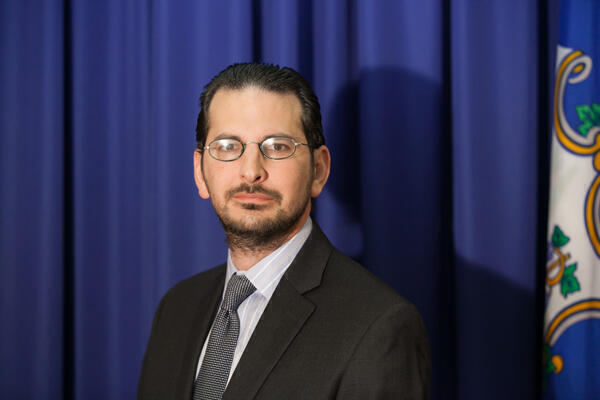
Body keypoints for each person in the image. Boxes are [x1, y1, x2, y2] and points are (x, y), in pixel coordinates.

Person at [138, 63, 430, 400]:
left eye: (277, 146)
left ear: (319, 171)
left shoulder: (379, 327)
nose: (251, 172)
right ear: (200, 172)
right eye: (228, 146)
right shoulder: (176, 308)